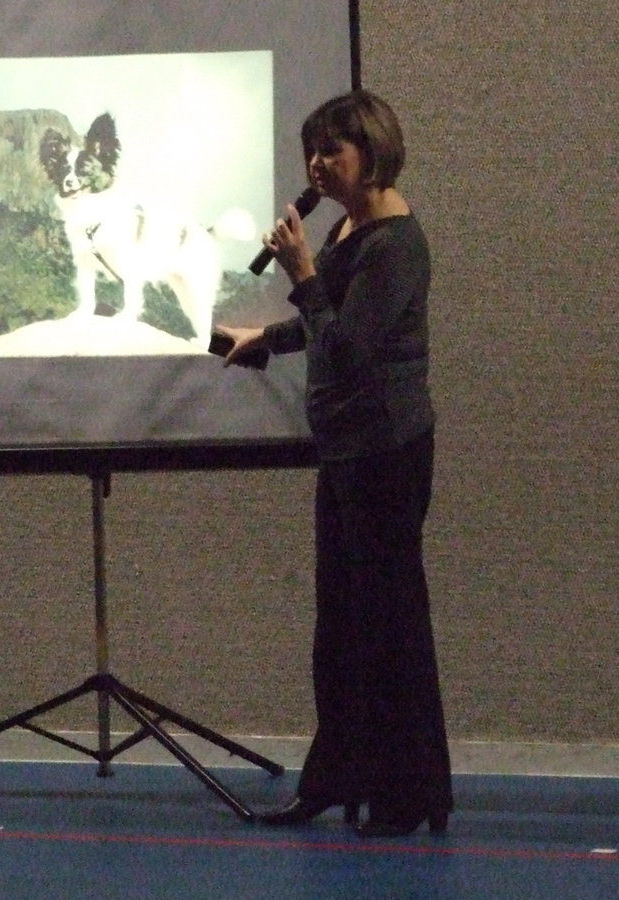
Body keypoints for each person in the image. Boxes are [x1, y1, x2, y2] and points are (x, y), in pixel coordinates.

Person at [215, 89, 453, 837]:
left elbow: (348, 348)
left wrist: (301, 270)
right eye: (310, 151)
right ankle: (335, 779)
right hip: (347, 452)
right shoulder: (353, 226)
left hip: (385, 452)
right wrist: (267, 340)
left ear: (371, 152)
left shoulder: (396, 243)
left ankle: (406, 798)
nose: (317, 164)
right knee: (341, 628)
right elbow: (326, 322)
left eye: (332, 151)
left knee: (388, 629)